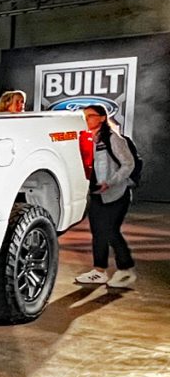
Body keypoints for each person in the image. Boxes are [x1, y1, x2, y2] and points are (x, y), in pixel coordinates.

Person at [75, 104, 137, 288]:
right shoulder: (86, 139)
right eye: (84, 116)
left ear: (102, 118)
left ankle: (126, 270)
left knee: (110, 231)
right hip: (96, 194)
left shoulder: (113, 139)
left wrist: (111, 182)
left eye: (91, 116)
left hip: (116, 194)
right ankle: (99, 271)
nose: (87, 120)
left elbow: (128, 164)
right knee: (98, 232)